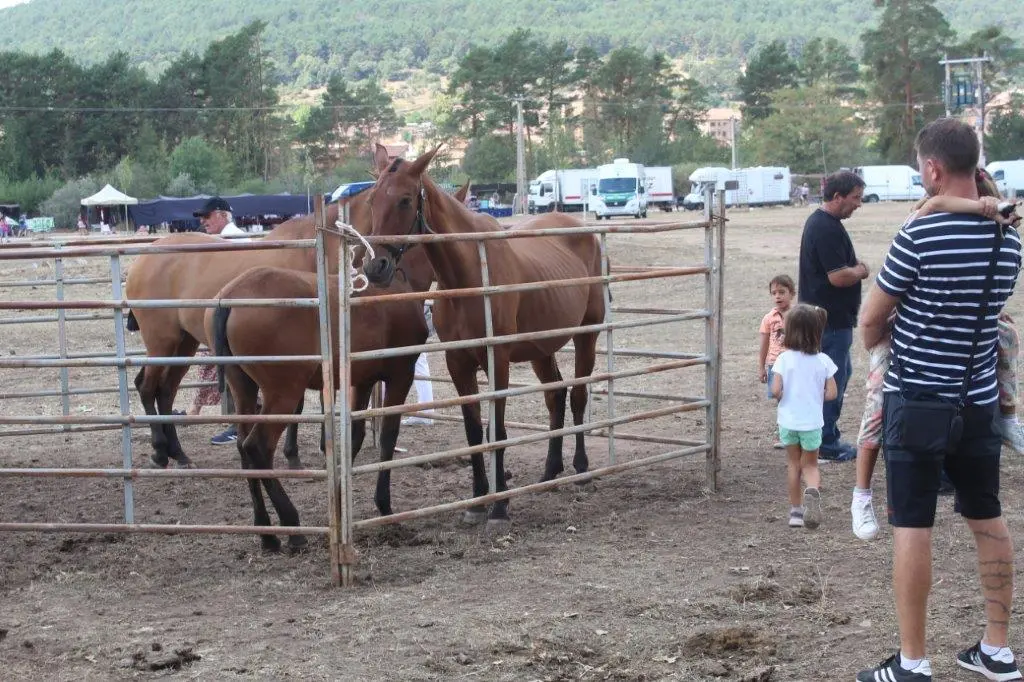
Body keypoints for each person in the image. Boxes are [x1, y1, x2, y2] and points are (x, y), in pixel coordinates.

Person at [856, 118, 1023, 682]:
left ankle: (912, 662)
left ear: (932, 168)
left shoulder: (919, 234)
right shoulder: (1010, 235)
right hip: (977, 402)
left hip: (917, 401)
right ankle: (997, 650)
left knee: (912, 525)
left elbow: (871, 319)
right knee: (988, 519)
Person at [851, 171, 1024, 543]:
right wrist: (986, 208)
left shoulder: (996, 233)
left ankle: (1009, 414)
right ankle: (860, 493)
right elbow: (934, 204)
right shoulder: (932, 222)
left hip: (930, 378)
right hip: (934, 367)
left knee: (914, 522)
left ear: (933, 169)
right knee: (875, 413)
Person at [797, 170, 869, 461]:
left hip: (823, 320)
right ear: (837, 197)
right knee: (831, 382)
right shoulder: (825, 228)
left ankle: (815, 438)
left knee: (824, 380)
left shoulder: (823, 223)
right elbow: (838, 277)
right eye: (855, 198)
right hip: (830, 322)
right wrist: (861, 270)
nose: (858, 204)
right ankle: (826, 444)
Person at [769, 303, 838, 530]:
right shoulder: (823, 361)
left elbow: (775, 390)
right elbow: (832, 394)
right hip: (812, 423)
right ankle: (813, 492)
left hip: (788, 423)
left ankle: (796, 513)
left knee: (793, 465)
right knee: (810, 465)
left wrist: (781, 395)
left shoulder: (783, 360)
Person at [193, 197, 250, 445]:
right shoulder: (230, 237)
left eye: (208, 216)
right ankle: (238, 422)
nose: (203, 221)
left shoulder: (231, 239)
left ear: (223, 215)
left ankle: (240, 423)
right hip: (233, 309)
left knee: (230, 367)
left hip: (235, 311)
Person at [403, 301, 436, 426]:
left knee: (419, 362)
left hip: (413, 316)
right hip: (419, 315)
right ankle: (427, 411)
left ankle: (426, 412)